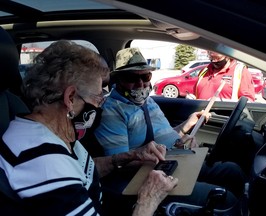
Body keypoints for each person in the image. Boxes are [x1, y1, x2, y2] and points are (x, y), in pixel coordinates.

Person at [0, 40, 180, 216]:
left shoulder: (55, 133)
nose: (101, 105)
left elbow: (82, 171)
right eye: (98, 97)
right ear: (70, 98)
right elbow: (61, 172)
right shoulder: (43, 158)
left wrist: (128, 156)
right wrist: (148, 199)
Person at [94, 47, 247, 199]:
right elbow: (119, 164)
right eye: (131, 78)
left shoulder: (148, 100)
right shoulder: (112, 111)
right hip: (153, 174)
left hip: (177, 160)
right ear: (118, 80)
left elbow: (162, 134)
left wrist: (187, 125)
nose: (141, 84)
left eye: (145, 77)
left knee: (232, 171)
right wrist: (166, 155)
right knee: (223, 198)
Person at [189, 50, 255, 101]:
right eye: (212, 58)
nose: (214, 61)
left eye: (217, 58)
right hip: (200, 116)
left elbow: (247, 100)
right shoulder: (204, 71)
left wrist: (222, 102)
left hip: (224, 117)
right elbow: (195, 93)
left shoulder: (240, 71)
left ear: (228, 55)